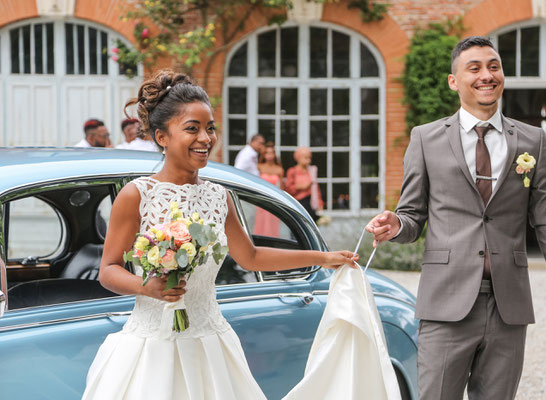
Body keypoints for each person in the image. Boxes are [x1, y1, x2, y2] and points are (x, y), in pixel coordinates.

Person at [82, 69, 357, 399]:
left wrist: (324, 258)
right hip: (153, 345)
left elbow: (251, 257)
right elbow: (108, 271)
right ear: (161, 137)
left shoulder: (218, 196)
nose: (206, 138)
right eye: (192, 129)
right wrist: (150, 286)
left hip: (210, 342)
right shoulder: (137, 195)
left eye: (210, 128)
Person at [367, 36, 546, 400]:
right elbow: (412, 217)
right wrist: (395, 226)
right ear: (454, 81)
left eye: (494, 66)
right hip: (445, 304)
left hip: (509, 307)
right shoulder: (426, 139)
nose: (487, 75)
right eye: (475, 68)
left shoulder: (532, 141)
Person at [254, 142, 285, 237]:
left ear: (274, 154)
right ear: (264, 155)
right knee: (261, 223)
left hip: (273, 200)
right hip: (261, 200)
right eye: (267, 153)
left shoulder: (279, 169)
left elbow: (282, 188)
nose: (269, 155)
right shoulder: (259, 167)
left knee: (273, 224)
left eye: (271, 153)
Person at [285, 147, 322, 222]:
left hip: (310, 203)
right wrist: (301, 186)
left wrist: (320, 203)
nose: (309, 160)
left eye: (309, 158)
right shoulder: (292, 171)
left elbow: (315, 188)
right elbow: (288, 189)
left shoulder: (311, 171)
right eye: (306, 158)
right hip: (298, 203)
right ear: (298, 158)